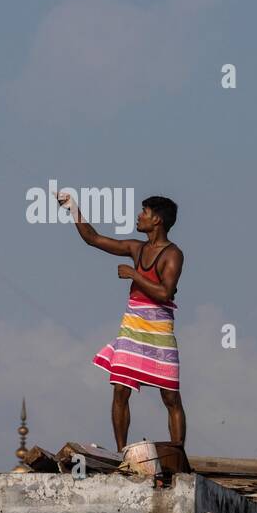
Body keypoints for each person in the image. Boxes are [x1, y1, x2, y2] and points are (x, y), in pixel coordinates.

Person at [55, 191, 186, 451]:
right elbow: (93, 239)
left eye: (145, 213)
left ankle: (177, 454)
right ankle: (121, 453)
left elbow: (165, 292)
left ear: (157, 220)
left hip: (159, 328)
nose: (139, 216)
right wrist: (72, 208)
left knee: (170, 396)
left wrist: (134, 275)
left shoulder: (173, 254)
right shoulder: (136, 248)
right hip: (132, 325)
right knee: (120, 390)